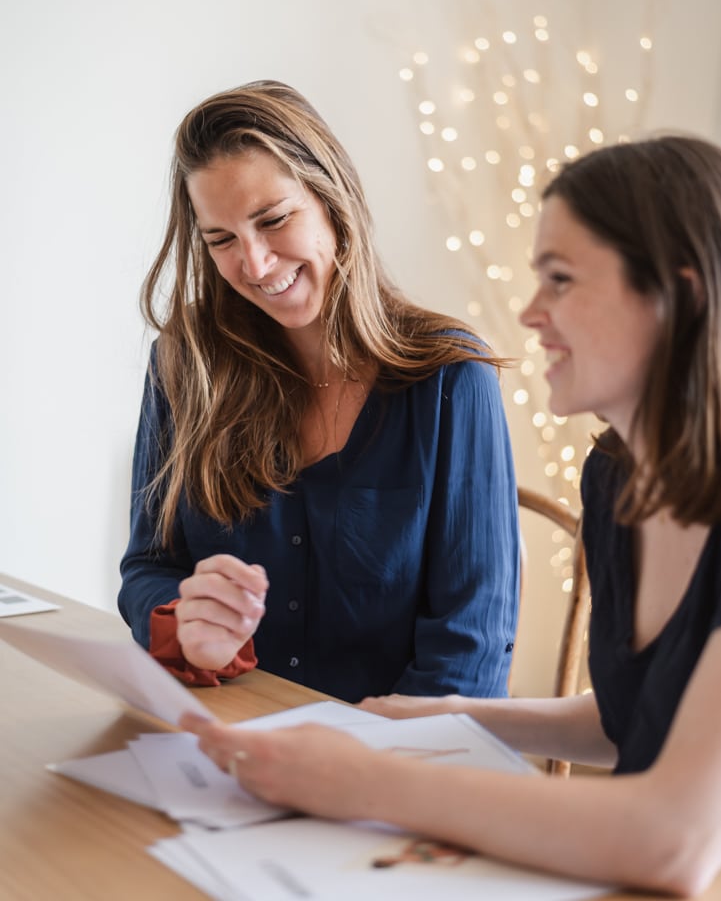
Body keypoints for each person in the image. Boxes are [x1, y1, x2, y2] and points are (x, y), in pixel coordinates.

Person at [181, 134, 721, 896]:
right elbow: (630, 719)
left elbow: (675, 841)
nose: (530, 314)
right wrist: (450, 718)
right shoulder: (619, 478)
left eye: (560, 280)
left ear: (682, 296)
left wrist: (359, 779)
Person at [118, 80, 520, 703]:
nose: (252, 265)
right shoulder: (183, 365)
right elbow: (148, 568)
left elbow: (470, 648)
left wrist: (357, 766)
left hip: (395, 768)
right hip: (228, 742)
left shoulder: (451, 379)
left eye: (274, 220)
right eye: (221, 239)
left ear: (334, 201)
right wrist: (182, 619)